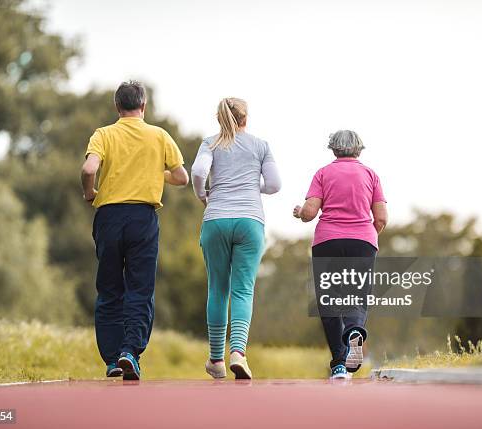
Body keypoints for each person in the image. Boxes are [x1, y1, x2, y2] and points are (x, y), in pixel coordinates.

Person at [80, 80, 188, 380]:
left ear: (117, 106)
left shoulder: (104, 134)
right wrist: (156, 172)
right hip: (143, 217)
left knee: (110, 289)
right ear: (144, 106)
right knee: (140, 288)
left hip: (109, 217)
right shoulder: (159, 135)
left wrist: (90, 193)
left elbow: (89, 169)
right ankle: (131, 351)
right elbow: (182, 177)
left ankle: (112, 359)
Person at [191, 97, 281, 379]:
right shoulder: (260, 145)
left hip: (216, 218)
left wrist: (203, 195)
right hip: (250, 221)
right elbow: (276, 184)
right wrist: (254, 187)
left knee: (218, 288)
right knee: (243, 289)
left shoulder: (210, 143)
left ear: (220, 119)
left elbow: (198, 172)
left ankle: (216, 360)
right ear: (246, 118)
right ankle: (238, 353)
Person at [293, 130, 387, 379]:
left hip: (328, 242)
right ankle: (355, 331)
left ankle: (339, 364)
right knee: (357, 295)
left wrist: (300, 212)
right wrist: (368, 235)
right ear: (359, 149)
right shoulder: (371, 175)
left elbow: (310, 212)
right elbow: (381, 218)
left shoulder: (323, 173)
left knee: (330, 300)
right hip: (362, 242)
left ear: (333, 149)